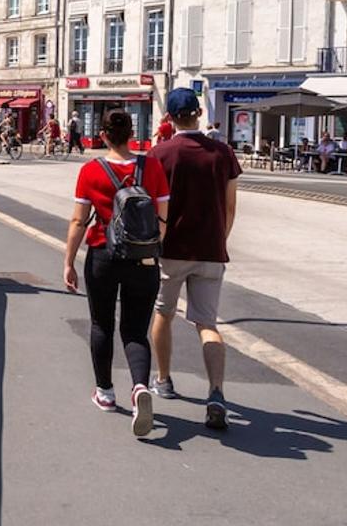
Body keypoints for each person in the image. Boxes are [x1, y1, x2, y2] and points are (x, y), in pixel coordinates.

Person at [62, 109, 170, 437]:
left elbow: (79, 221)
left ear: (103, 135)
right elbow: (163, 218)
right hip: (143, 260)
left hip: (103, 255)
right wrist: (149, 249)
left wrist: (68, 261)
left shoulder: (91, 171)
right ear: (132, 134)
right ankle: (139, 389)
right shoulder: (151, 166)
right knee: (136, 330)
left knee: (102, 324)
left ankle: (105, 393)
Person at [147, 88, 240, 431]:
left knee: (163, 314)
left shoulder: (160, 153)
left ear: (169, 119)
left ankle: (164, 379)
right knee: (207, 324)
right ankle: (216, 392)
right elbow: (230, 206)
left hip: (171, 250)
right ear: (199, 113)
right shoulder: (223, 153)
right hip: (211, 249)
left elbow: (154, 205)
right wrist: (220, 239)